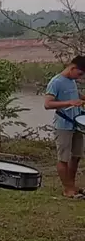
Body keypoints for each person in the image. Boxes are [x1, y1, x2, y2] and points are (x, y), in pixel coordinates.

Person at [43, 56, 85, 199]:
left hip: (76, 124)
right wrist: (69, 103)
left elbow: (75, 95)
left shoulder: (71, 81)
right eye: (80, 73)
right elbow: (47, 104)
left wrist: (81, 98)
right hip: (63, 126)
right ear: (73, 68)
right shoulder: (56, 82)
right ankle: (67, 189)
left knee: (76, 156)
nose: (80, 77)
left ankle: (72, 185)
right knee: (64, 159)